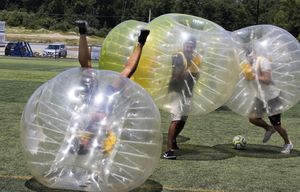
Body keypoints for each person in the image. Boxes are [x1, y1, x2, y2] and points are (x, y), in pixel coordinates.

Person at [74, 20, 150, 155]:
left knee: (86, 67)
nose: (88, 143)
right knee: (126, 74)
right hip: (107, 101)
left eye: (85, 144)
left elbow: (90, 116)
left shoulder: (80, 135)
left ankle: (82, 33)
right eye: (88, 145)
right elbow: (110, 133)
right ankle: (141, 42)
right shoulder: (100, 140)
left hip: (90, 98)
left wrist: (98, 121)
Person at [241, 49, 293, 154]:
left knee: (277, 125)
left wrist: (254, 76)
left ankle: (288, 143)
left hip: (272, 97)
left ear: (254, 53)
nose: (248, 58)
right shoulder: (248, 64)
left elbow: (267, 79)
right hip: (260, 97)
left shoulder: (263, 61)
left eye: (250, 55)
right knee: (252, 118)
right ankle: (269, 128)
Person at [163, 36, 202, 159]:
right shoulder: (178, 57)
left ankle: (173, 140)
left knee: (183, 120)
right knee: (176, 119)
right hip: (177, 91)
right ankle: (168, 150)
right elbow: (176, 76)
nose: (189, 48)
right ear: (183, 45)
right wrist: (188, 68)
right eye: (187, 46)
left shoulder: (196, 59)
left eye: (191, 47)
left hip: (188, 92)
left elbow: (196, 76)